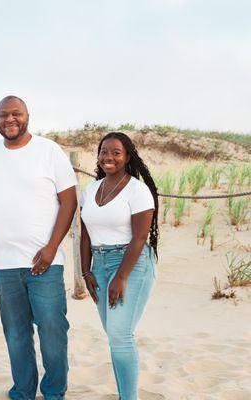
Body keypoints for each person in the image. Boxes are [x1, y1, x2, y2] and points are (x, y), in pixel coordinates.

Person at [0, 96, 78, 400]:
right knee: (16, 335)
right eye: (3, 115)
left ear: (27, 116)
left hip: (44, 262)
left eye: (16, 114)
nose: (9, 120)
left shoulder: (49, 151)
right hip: (4, 266)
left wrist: (51, 247)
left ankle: (54, 392)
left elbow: (68, 201)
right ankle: (23, 391)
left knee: (52, 332)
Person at [79, 132, 158, 400]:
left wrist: (121, 276)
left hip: (131, 263)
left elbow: (139, 237)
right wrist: (85, 270)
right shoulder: (90, 190)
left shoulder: (138, 190)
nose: (108, 157)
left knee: (119, 333)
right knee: (114, 336)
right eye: (104, 152)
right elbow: (86, 233)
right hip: (99, 264)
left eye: (116, 152)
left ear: (127, 157)